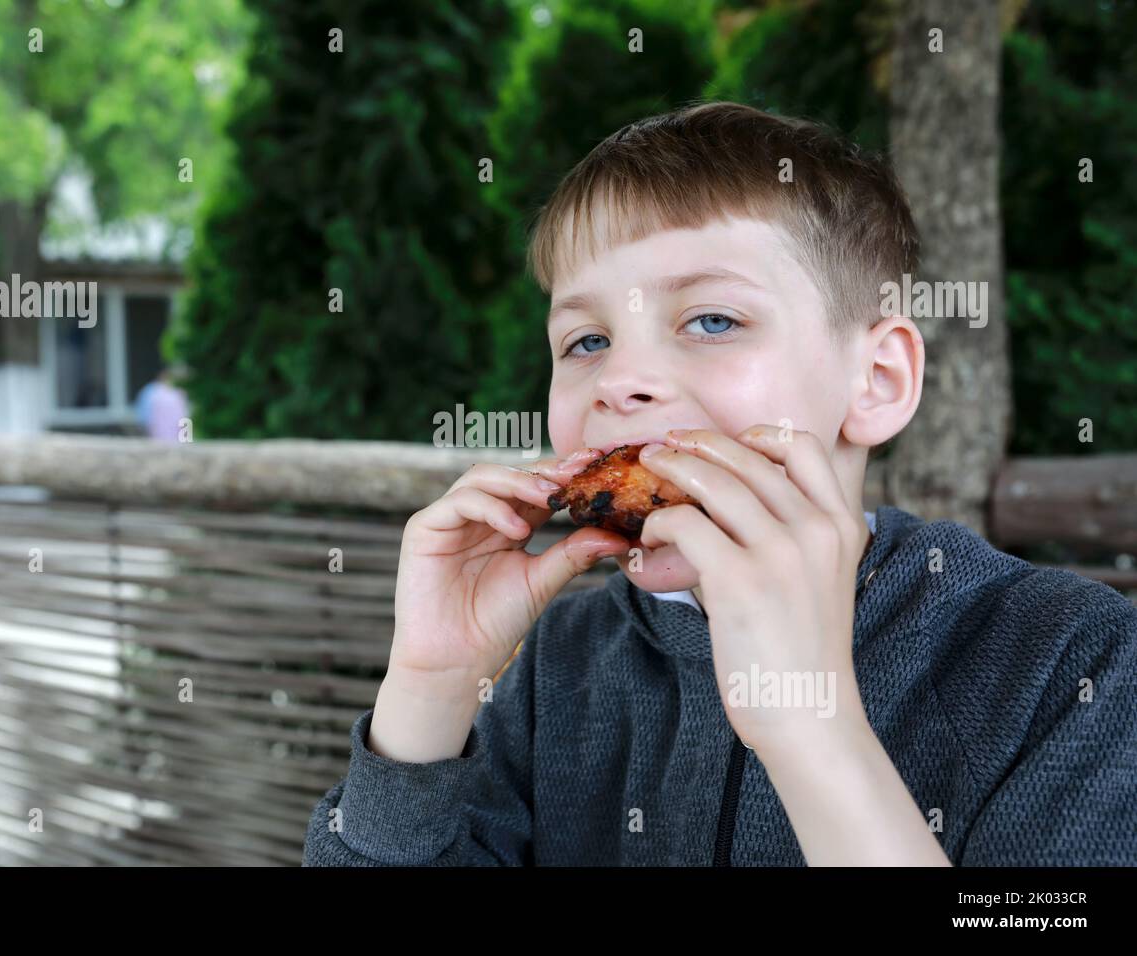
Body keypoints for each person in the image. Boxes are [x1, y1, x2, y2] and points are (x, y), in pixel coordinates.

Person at [301, 101, 1137, 866]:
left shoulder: (1076, 663)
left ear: (877, 380)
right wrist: (429, 692)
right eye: (586, 340)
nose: (620, 379)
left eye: (711, 320)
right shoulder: (560, 667)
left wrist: (810, 725)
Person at [135, 365, 190, 442]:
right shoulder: (152, 392)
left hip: (168, 440)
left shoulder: (179, 393)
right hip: (160, 439)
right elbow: (145, 418)